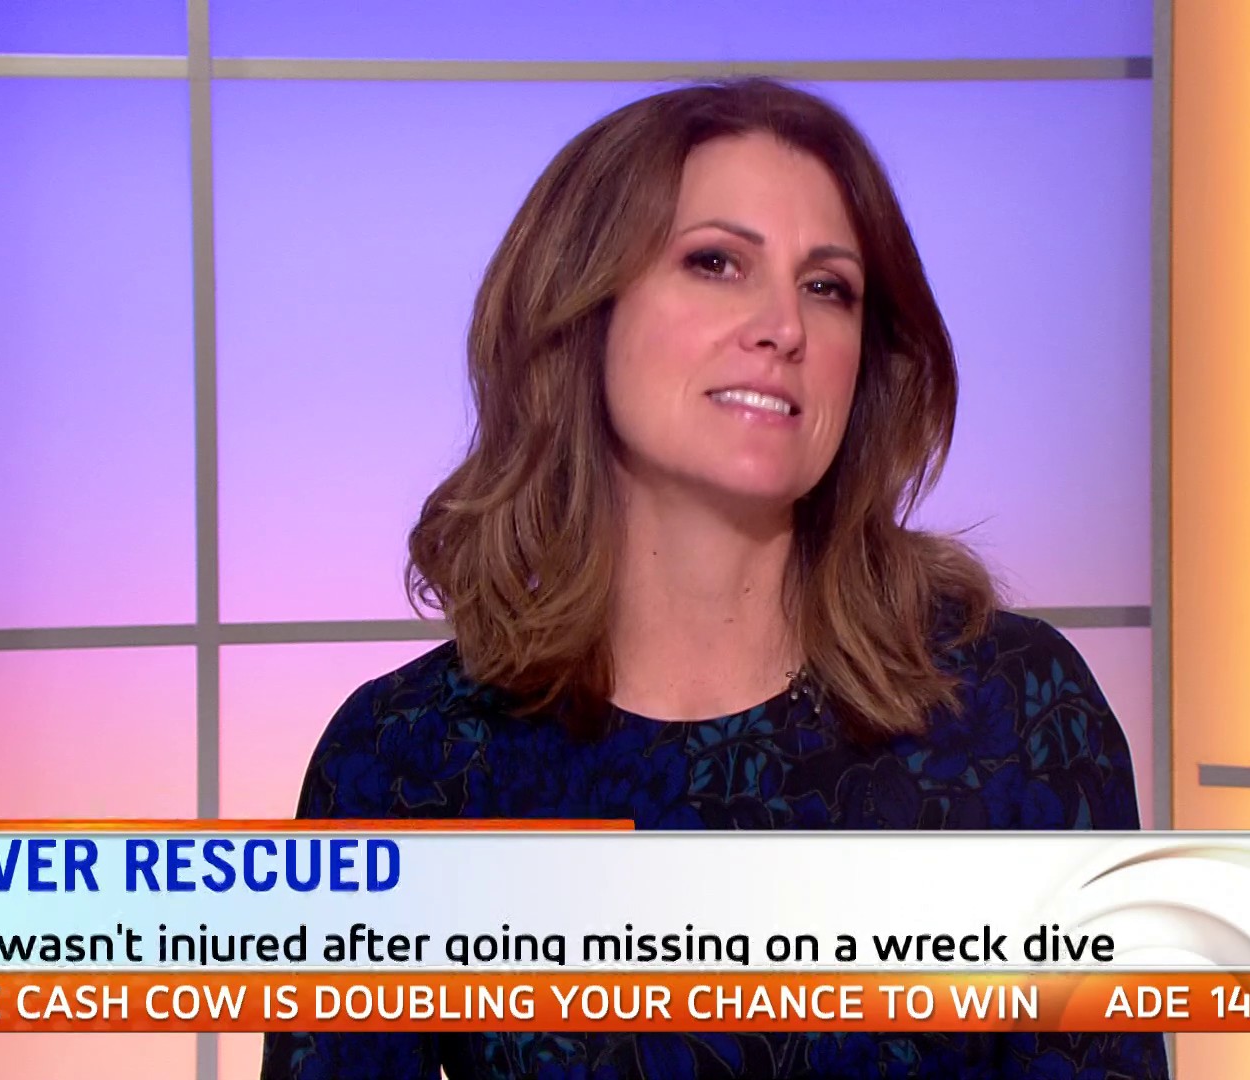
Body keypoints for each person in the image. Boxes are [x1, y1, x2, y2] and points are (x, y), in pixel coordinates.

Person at [261, 78, 1166, 1080]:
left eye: (828, 286)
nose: (784, 325)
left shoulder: (1016, 713)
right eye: (716, 262)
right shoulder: (404, 759)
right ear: (581, 316)